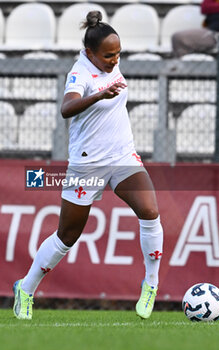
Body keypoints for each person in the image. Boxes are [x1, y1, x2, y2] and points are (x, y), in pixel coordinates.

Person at [13, 11, 163, 320]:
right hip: (88, 166)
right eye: (108, 55)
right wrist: (97, 95)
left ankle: (151, 283)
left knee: (149, 211)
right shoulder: (80, 73)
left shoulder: (109, 60)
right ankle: (26, 289)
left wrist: (108, 82)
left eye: (118, 54)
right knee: (67, 236)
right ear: (89, 53)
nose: (114, 60)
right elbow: (66, 108)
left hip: (121, 156)